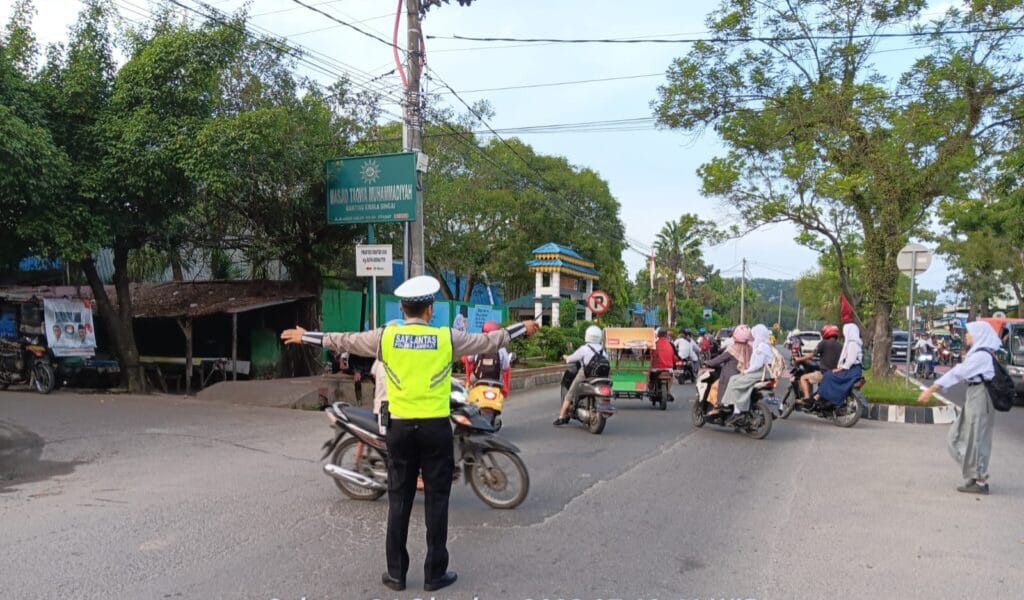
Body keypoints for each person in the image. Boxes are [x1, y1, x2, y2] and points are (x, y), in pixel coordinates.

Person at [280, 276, 539, 593]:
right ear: (430, 309)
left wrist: (308, 336)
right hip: (435, 428)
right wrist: (522, 329)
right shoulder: (446, 338)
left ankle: (396, 575)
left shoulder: (386, 337)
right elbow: (489, 342)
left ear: (403, 308)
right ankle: (434, 575)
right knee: (437, 501)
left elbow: (344, 340)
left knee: (399, 500)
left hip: (399, 429)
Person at [917, 321, 1000, 494]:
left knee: (976, 438)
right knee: (958, 436)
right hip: (973, 395)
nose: (966, 336)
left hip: (981, 396)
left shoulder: (981, 356)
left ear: (978, 336)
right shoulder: (977, 353)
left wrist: (932, 389)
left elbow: (957, 373)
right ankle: (973, 473)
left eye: (969, 333)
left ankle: (980, 480)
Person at [719, 324, 774, 425]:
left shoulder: (762, 346)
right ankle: (727, 403)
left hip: (760, 373)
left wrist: (746, 371)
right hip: (761, 373)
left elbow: (757, 365)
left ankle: (737, 411)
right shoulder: (762, 345)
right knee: (733, 378)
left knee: (736, 383)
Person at [554, 325, 606, 426]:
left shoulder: (585, 348)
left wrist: (565, 357)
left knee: (570, 394)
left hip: (586, 374)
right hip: (601, 377)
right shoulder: (602, 350)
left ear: (587, 336)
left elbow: (571, 358)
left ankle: (561, 417)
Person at [703, 325, 752, 415]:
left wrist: (707, 362)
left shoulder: (733, 349)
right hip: (745, 375)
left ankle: (718, 406)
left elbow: (719, 359)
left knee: (717, 385)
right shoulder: (749, 348)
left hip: (731, 376)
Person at [813, 323, 864, 407]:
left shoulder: (852, 344)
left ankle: (819, 396)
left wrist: (839, 369)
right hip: (853, 370)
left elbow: (850, 361)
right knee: (831, 375)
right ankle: (824, 397)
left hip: (852, 371)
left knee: (829, 375)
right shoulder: (856, 343)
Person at [793, 324, 842, 401]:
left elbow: (811, 355)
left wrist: (799, 359)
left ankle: (807, 399)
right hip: (836, 374)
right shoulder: (840, 346)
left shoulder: (823, 343)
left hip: (824, 374)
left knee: (803, 378)